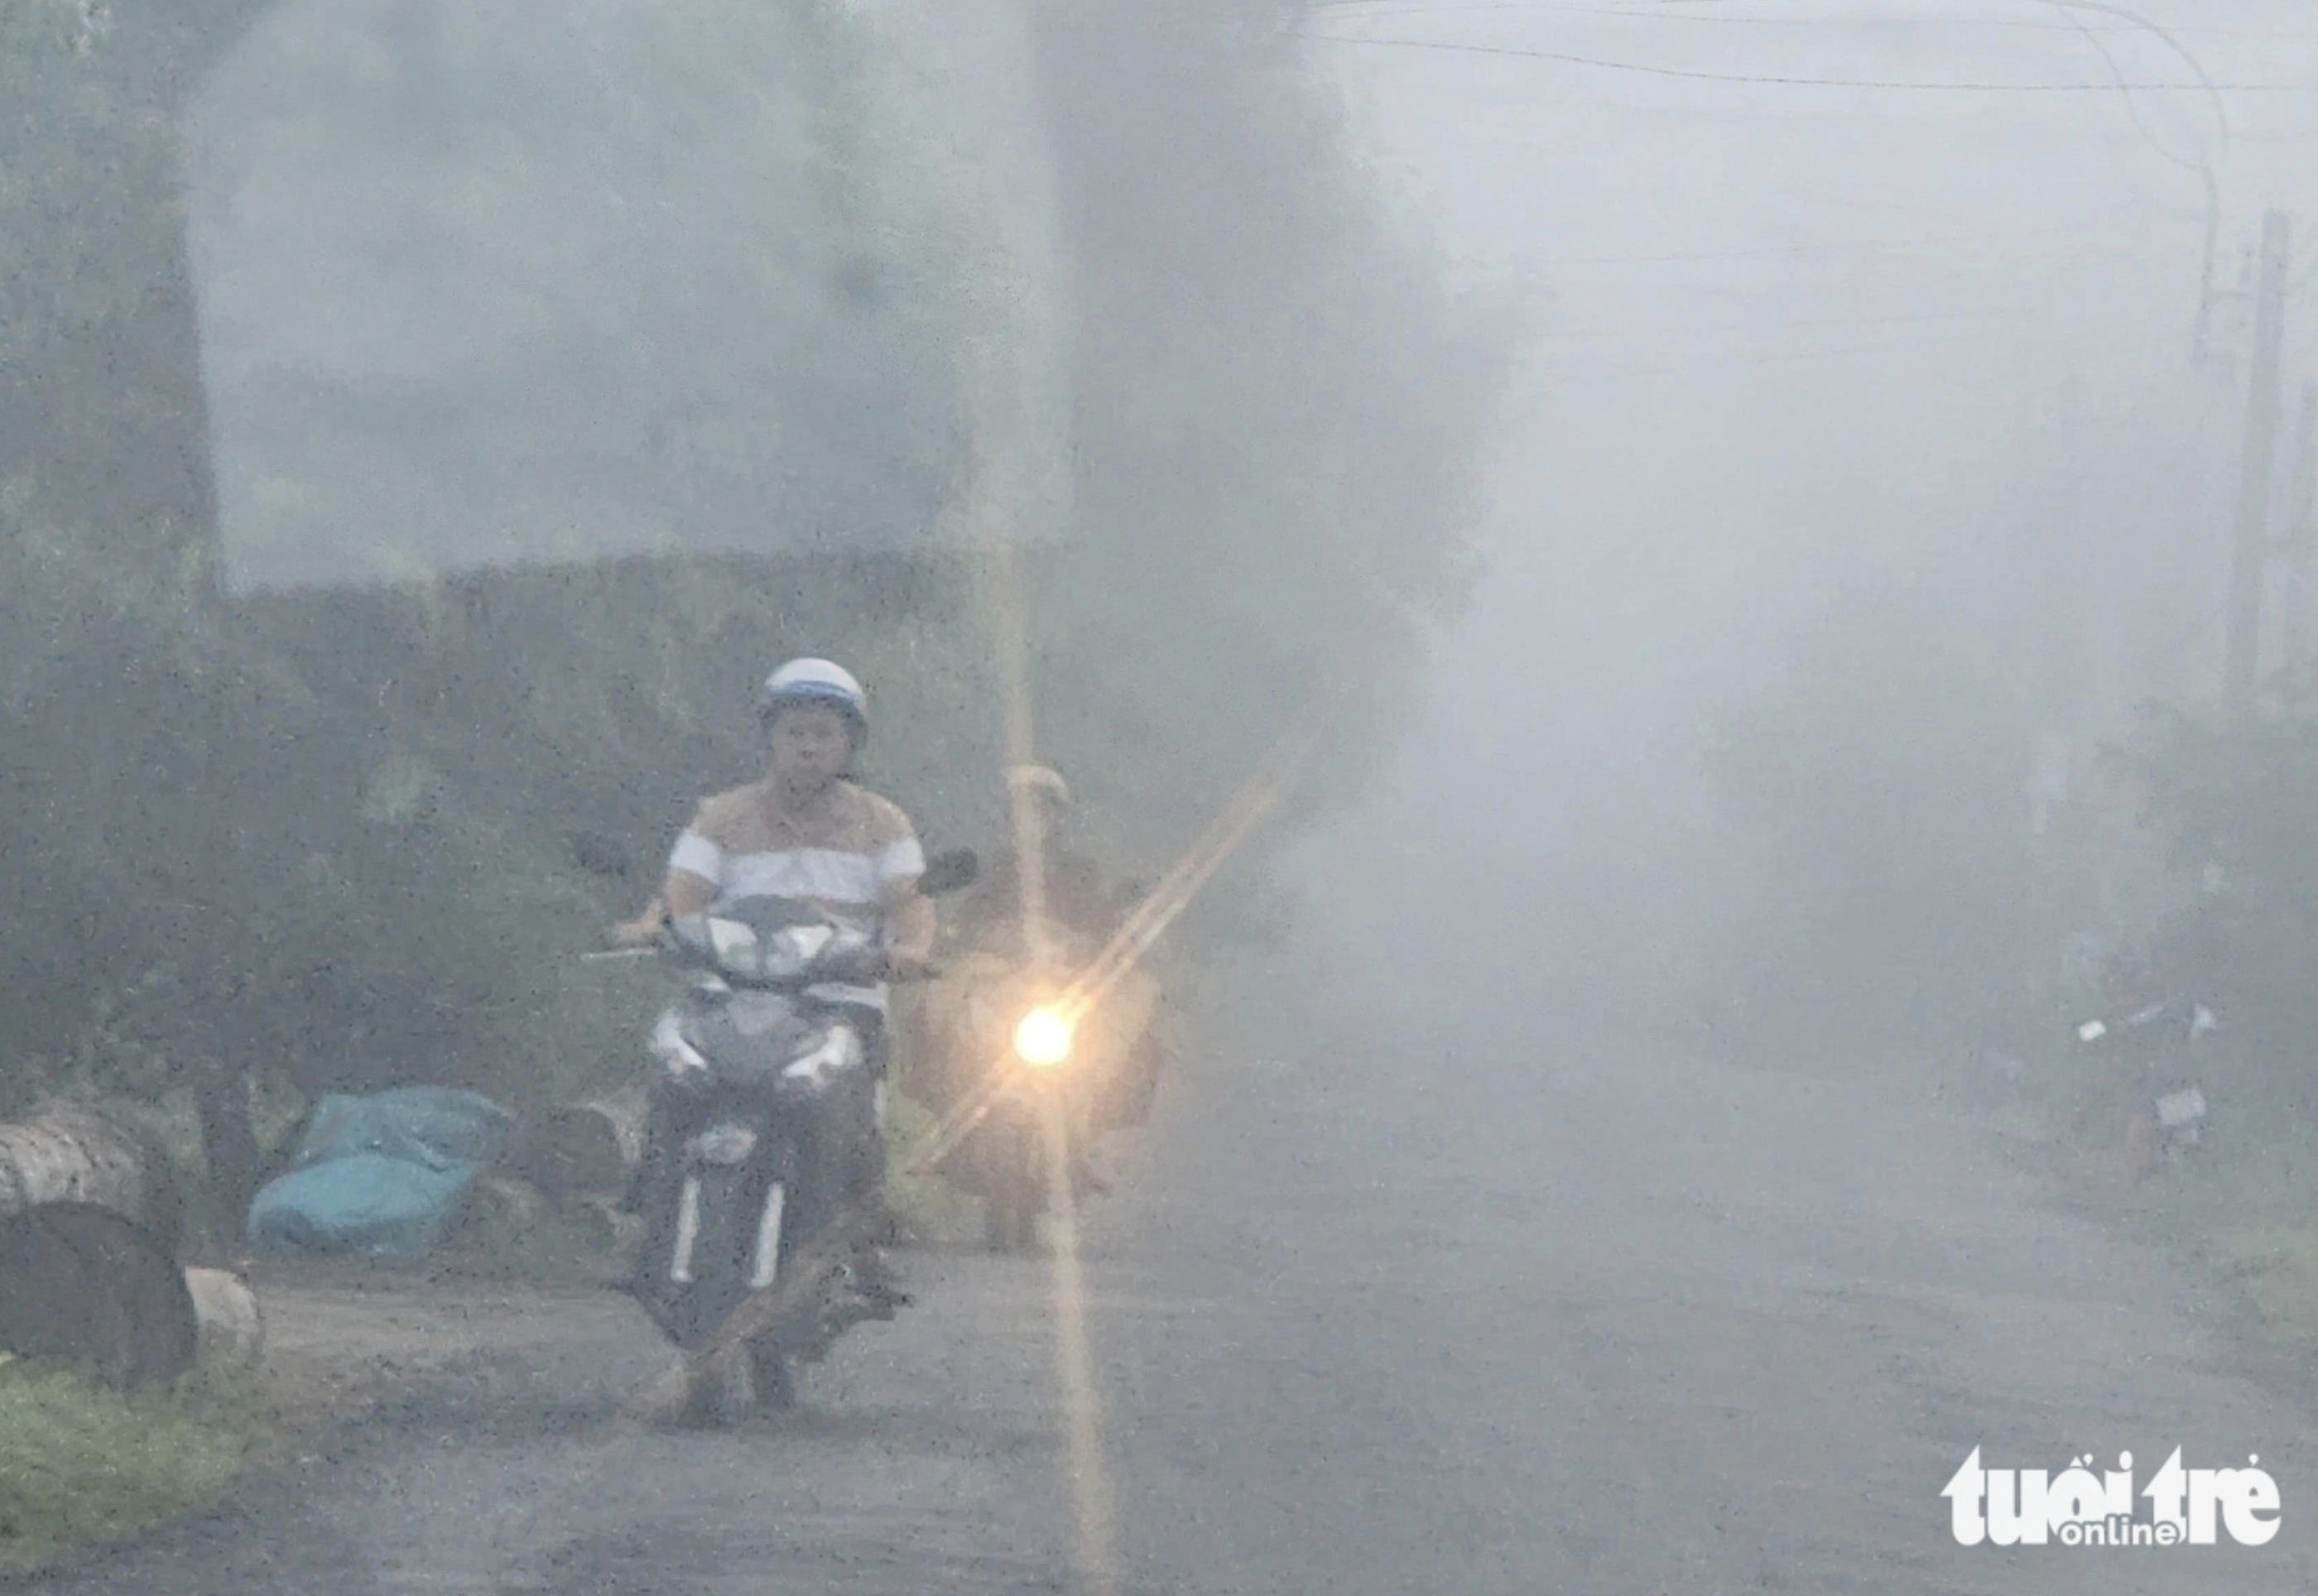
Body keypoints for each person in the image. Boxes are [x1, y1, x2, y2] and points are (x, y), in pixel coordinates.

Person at [613, 656, 934, 1333]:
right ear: (770, 738)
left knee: (859, 1128)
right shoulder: (721, 817)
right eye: (795, 731)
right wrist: (652, 928)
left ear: (850, 744)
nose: (808, 746)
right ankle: (648, 1216)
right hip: (724, 996)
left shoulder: (885, 825)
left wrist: (909, 952)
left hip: (840, 1002)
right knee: (672, 1078)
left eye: (823, 732)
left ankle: (863, 1241)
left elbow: (911, 908)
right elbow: (681, 896)